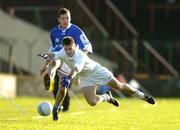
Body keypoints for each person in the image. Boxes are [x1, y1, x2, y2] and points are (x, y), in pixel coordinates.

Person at [46, 36, 155, 121]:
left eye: (70, 49)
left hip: (97, 71)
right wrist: (46, 59)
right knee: (92, 102)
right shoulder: (62, 52)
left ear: (75, 46)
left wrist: (69, 77)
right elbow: (53, 55)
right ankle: (106, 97)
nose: (68, 51)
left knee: (119, 86)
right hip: (86, 78)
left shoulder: (80, 55)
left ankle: (142, 96)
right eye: (66, 49)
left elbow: (76, 69)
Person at [40, 8, 92, 111]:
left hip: (70, 61)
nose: (65, 20)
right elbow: (52, 48)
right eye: (63, 18)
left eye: (67, 18)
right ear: (58, 19)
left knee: (64, 86)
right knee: (55, 82)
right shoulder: (54, 32)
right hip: (58, 57)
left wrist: (82, 57)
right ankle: (49, 76)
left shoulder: (75, 30)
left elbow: (87, 45)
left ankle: (65, 106)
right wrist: (45, 65)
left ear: (70, 18)